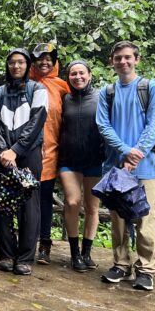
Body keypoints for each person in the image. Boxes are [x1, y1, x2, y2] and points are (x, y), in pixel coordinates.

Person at [96, 40, 155, 291]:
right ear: (112, 62)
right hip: (116, 166)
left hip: (145, 167)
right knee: (119, 220)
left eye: (127, 57)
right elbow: (103, 125)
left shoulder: (150, 88)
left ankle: (146, 269)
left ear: (137, 59)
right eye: (118, 58)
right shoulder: (108, 92)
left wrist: (136, 154)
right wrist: (125, 152)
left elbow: (154, 124)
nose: (123, 62)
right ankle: (121, 264)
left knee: (146, 219)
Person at [0, 48, 48, 275]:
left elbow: (37, 121)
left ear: (27, 65)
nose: (16, 66)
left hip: (28, 153)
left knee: (29, 205)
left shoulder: (37, 89)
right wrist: (4, 151)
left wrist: (16, 150)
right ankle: (6, 254)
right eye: (12, 63)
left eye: (21, 62)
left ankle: (24, 257)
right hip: (0, 154)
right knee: (3, 204)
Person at [58, 60, 104, 272]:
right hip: (68, 159)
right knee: (72, 201)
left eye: (81, 73)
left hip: (95, 159)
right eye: (73, 74)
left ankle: (86, 252)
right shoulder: (65, 98)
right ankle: (74, 253)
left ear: (90, 75)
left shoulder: (101, 97)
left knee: (93, 207)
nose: (77, 77)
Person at [29, 42, 70, 264]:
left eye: (48, 59)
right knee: (25, 198)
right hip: (25, 153)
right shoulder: (25, 83)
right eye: (39, 59)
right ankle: (26, 241)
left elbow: (82, 106)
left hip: (51, 153)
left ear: (54, 62)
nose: (44, 62)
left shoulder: (63, 86)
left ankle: (45, 244)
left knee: (45, 200)